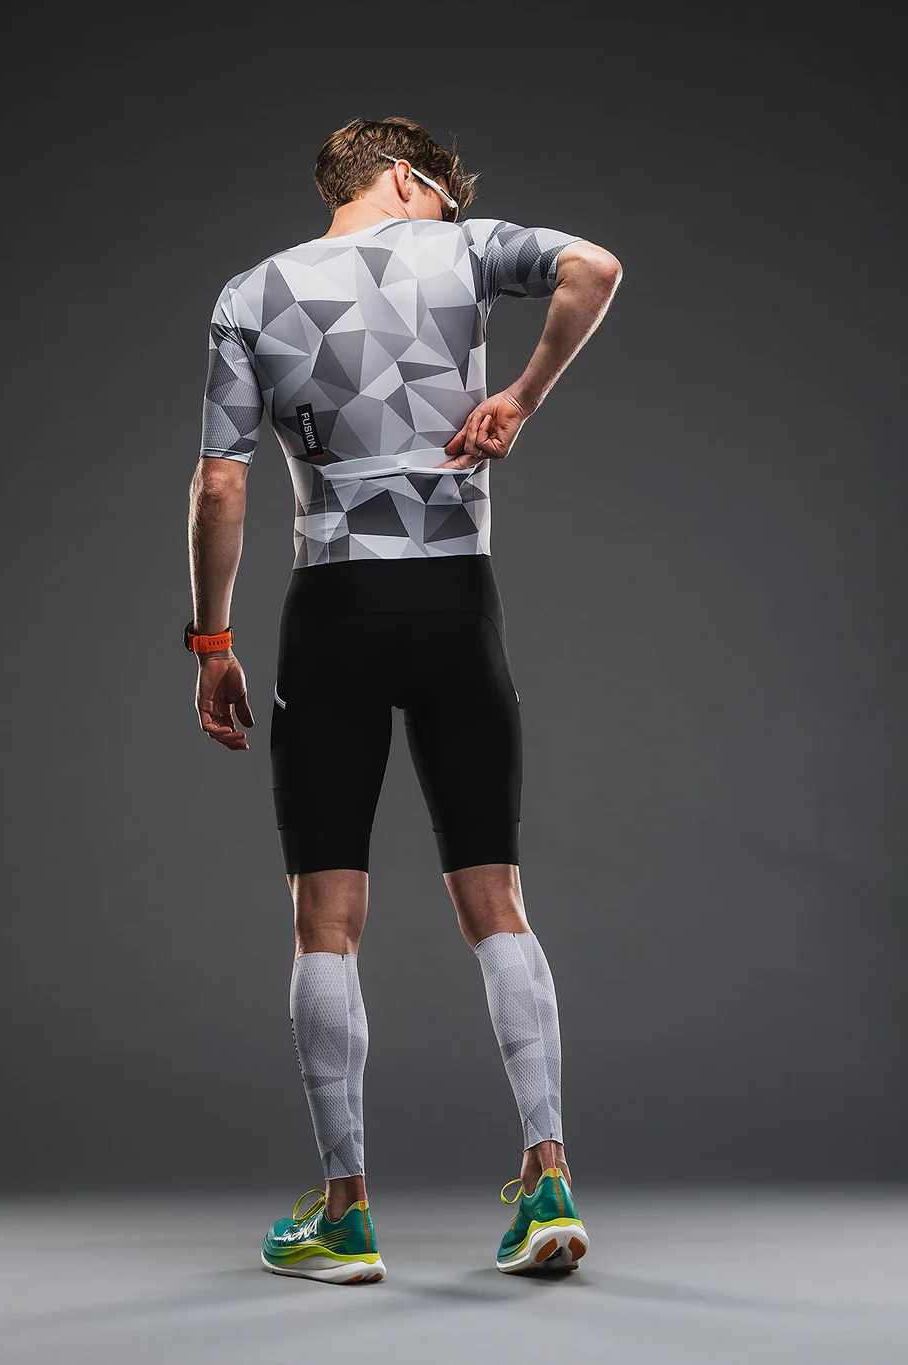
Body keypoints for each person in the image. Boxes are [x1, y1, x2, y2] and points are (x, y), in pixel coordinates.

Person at [185, 116, 622, 1283]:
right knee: (496, 899)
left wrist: (212, 641)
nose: (450, 208)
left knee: (324, 919)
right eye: (444, 192)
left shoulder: (250, 294)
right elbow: (593, 267)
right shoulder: (466, 248)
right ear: (406, 177)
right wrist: (521, 394)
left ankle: (345, 1216)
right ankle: (548, 1178)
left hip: (331, 610)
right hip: (454, 603)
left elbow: (221, 485)